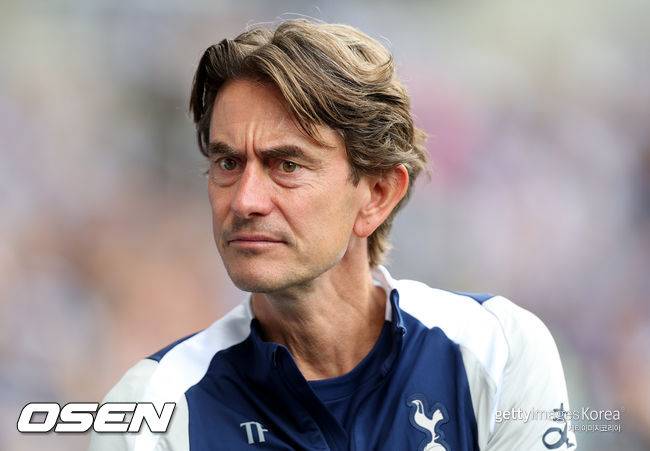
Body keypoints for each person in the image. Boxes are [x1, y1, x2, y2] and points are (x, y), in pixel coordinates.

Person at [89, 19, 576, 451]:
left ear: (377, 194)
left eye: (287, 165)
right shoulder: (151, 409)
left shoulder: (497, 350)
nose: (244, 200)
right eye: (228, 163)